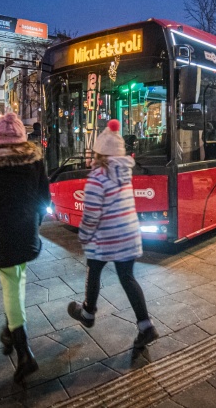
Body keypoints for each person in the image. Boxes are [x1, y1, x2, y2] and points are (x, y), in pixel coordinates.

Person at [0, 112, 50, 383]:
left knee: (11, 285)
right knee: (18, 279)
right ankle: (9, 329)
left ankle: (24, 351)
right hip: (28, 229)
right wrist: (33, 222)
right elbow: (44, 199)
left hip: (3, 234)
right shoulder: (34, 161)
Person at [67, 119, 159, 349]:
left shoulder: (98, 178)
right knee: (128, 278)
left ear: (100, 154)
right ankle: (146, 326)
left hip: (105, 238)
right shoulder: (124, 173)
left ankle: (88, 314)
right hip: (128, 235)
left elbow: (91, 214)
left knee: (93, 268)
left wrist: (85, 235)